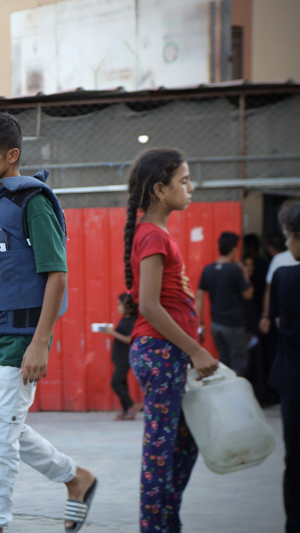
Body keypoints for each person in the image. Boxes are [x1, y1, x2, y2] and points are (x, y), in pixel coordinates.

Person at [0, 112, 96, 533]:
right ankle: (76, 478)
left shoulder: (33, 203)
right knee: (6, 430)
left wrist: (41, 342)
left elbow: (57, 274)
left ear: (12, 155)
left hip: (23, 339)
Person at [124, 148, 218, 533]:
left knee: (183, 443)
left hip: (166, 352)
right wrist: (195, 349)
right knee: (160, 451)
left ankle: (166, 522)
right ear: (161, 190)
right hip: (160, 352)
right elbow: (148, 305)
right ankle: (155, 526)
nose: (191, 187)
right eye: (184, 180)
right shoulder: (152, 235)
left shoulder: (155, 234)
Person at [267, 199, 300, 533]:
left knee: (295, 461)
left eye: (289, 237)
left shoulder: (284, 277)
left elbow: (279, 322)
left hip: (293, 383)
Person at [195, 232, 253, 376]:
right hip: (234, 324)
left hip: (216, 325)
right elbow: (248, 294)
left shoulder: (208, 269)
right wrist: (243, 270)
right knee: (239, 364)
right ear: (234, 249)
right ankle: (236, 389)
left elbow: (199, 296)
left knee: (224, 361)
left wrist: (200, 322)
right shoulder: (235, 269)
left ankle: (226, 388)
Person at [97, 293, 138, 420]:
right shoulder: (124, 319)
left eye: (120, 305)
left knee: (116, 382)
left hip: (126, 356)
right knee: (122, 383)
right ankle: (127, 411)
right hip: (119, 355)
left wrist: (112, 333)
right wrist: (110, 330)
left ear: (129, 306)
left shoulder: (134, 321)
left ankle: (131, 405)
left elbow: (130, 339)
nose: (118, 307)